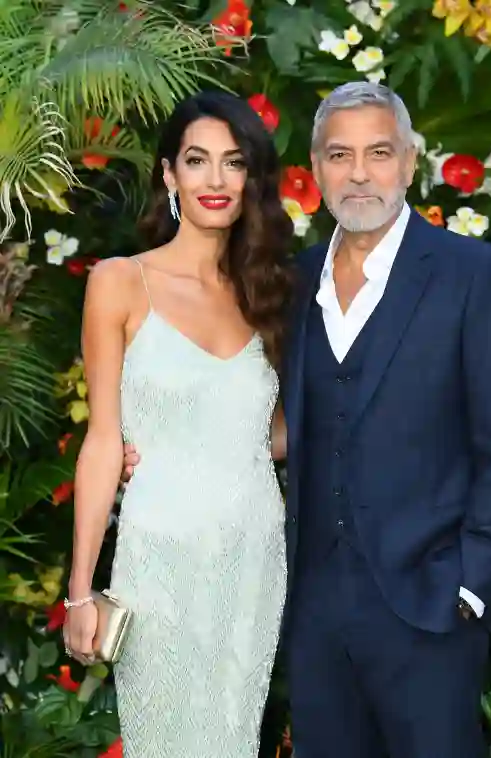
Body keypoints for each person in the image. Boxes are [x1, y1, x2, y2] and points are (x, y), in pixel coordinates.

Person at [123, 82, 491, 758]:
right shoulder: (291, 283)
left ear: (410, 161)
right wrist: (157, 447)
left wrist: (470, 587)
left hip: (432, 608)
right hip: (314, 614)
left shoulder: (476, 277)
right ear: (316, 169)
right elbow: (261, 419)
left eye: (380, 153)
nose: (360, 173)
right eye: (340, 155)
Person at [63, 91, 293, 758]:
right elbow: (102, 441)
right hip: (159, 555)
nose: (215, 179)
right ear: (169, 175)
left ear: (251, 178)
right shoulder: (119, 282)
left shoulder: (269, 292)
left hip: (252, 557)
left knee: (233, 739)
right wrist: (80, 592)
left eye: (233, 162)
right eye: (197, 160)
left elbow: (273, 432)